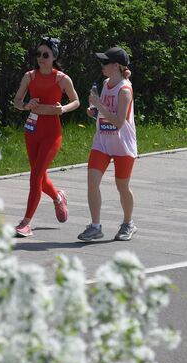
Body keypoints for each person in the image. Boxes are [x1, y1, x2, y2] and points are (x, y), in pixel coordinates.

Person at [12, 37, 80, 237]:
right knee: (39, 178)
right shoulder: (29, 77)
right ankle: (58, 197)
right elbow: (17, 101)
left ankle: (26, 223)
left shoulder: (62, 79)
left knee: (35, 177)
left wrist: (63, 109)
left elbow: (76, 101)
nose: (40, 58)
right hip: (32, 131)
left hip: (52, 133)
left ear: (54, 57)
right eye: (38, 54)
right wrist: (26, 105)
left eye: (45, 55)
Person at [77, 47, 137, 241]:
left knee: (122, 186)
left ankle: (128, 223)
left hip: (122, 144)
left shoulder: (125, 90)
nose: (102, 65)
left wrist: (99, 105)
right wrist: (93, 110)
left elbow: (119, 121)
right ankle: (95, 226)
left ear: (116, 66)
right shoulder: (105, 83)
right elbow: (102, 112)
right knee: (92, 183)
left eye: (105, 62)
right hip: (102, 141)